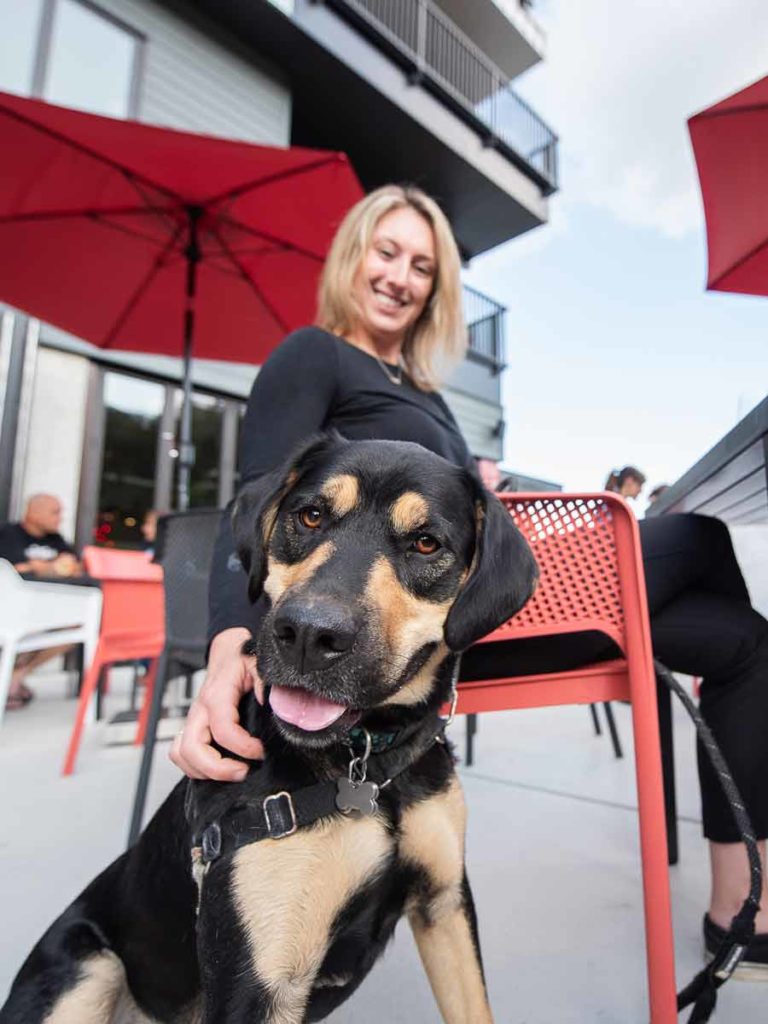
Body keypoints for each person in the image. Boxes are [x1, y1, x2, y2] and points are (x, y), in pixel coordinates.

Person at [170, 184, 768, 971]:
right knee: (695, 537)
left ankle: (740, 911)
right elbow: (254, 498)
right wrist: (229, 647)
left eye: (421, 265)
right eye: (386, 253)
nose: (400, 276)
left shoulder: (423, 389)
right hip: (426, 623)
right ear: (353, 254)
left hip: (473, 595)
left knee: (744, 643)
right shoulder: (315, 354)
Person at [0, 494, 83, 709]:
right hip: (11, 609)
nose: (60, 518)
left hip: (47, 609)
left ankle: (16, 675)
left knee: (76, 624)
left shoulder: (56, 539)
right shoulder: (9, 534)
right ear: (34, 512)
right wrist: (54, 567)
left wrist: (40, 566)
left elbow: (74, 566)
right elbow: (14, 569)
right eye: (55, 512)